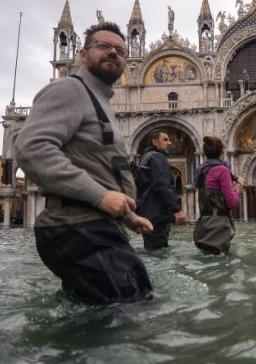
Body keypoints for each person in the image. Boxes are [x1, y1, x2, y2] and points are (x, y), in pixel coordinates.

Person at [14, 21, 155, 304]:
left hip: (94, 228)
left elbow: (99, 168)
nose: (113, 53)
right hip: (79, 229)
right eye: (103, 46)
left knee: (112, 314)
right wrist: (100, 196)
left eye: (120, 50)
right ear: (82, 54)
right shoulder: (70, 89)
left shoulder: (100, 102)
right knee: (130, 317)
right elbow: (30, 148)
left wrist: (127, 217)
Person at [135, 129, 187, 250]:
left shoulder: (146, 157)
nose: (169, 143)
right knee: (158, 253)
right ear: (155, 142)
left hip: (147, 215)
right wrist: (177, 210)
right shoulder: (157, 158)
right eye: (165, 139)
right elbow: (161, 186)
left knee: (151, 251)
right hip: (156, 217)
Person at [193, 136, 244, 255]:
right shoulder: (222, 170)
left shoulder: (201, 171)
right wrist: (237, 189)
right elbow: (232, 202)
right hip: (218, 227)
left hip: (203, 225)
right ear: (222, 152)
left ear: (205, 153)